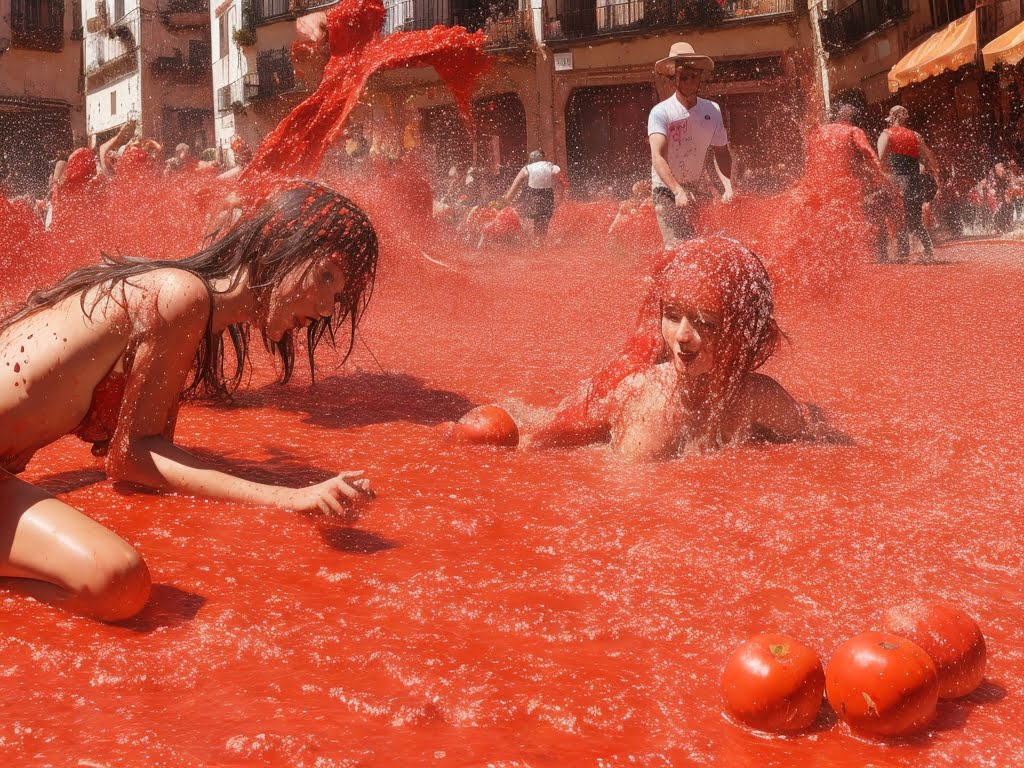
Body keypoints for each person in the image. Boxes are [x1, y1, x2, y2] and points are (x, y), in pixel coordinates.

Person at [0, 181, 378, 621]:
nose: (328, 307)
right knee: (118, 583)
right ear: (278, 246)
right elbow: (132, 458)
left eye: (338, 294)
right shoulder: (179, 295)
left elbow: (146, 451)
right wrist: (290, 497)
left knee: (118, 583)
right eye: (326, 276)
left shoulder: (183, 301)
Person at [526, 237, 827, 459]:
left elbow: (818, 441)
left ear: (742, 331)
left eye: (705, 322)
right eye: (671, 316)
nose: (682, 335)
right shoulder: (643, 399)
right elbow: (546, 447)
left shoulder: (760, 397)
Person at [648, 42, 735, 247]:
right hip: (666, 189)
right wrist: (677, 190)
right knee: (676, 246)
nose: (689, 81)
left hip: (695, 187)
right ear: (674, 78)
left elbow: (722, 152)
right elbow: (658, 157)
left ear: (700, 76)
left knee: (699, 243)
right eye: (684, 76)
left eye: (694, 76)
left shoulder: (712, 110)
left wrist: (729, 186)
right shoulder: (661, 112)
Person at [826, 102, 901, 263]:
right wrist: (880, 173)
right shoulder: (854, 131)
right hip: (855, 185)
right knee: (876, 214)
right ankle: (881, 254)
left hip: (831, 185)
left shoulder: (823, 132)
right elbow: (867, 152)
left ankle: (843, 256)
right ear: (852, 118)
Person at [877, 105, 940, 264]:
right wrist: (934, 174)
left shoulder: (886, 134)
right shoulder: (915, 135)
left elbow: (880, 160)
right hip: (914, 182)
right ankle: (928, 251)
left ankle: (902, 254)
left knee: (897, 218)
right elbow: (930, 157)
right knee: (916, 220)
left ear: (892, 118)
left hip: (896, 182)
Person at [503, 149, 567, 239]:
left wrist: (505, 201)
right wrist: (561, 197)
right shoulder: (552, 167)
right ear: (543, 158)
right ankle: (540, 241)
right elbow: (561, 183)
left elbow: (515, 186)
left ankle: (527, 238)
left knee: (528, 217)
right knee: (542, 221)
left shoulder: (527, 168)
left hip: (531, 195)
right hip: (547, 196)